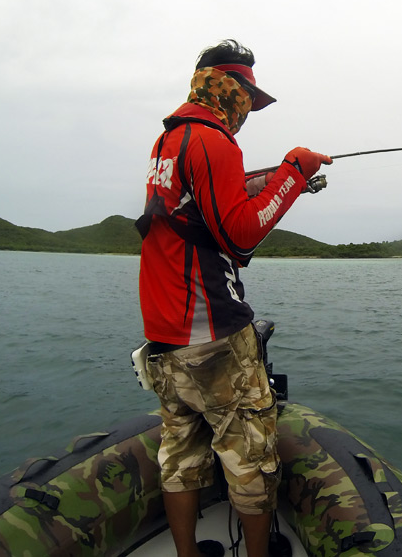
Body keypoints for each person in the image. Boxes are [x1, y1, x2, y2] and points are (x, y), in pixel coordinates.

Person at [136, 39, 331, 557]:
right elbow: (240, 233)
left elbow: (202, 208)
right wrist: (293, 171)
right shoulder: (214, 141)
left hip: (164, 337)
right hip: (214, 335)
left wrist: (278, 182)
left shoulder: (171, 140)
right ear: (229, 86)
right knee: (252, 460)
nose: (249, 107)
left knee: (178, 456)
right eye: (248, 93)